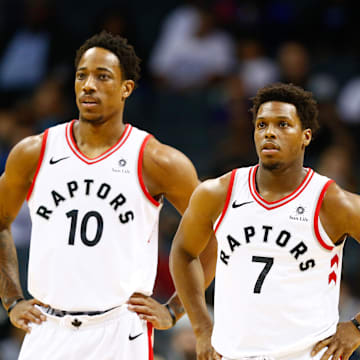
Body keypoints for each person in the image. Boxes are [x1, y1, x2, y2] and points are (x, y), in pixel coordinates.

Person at [0, 31, 216, 359]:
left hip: (119, 330)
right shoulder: (34, 152)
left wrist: (175, 309)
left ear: (126, 88)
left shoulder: (157, 160)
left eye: (102, 77)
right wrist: (12, 299)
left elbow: (213, 231)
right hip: (47, 328)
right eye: (82, 76)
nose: (89, 85)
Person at [170, 83, 360, 360]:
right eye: (262, 125)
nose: (270, 132)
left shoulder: (333, 202)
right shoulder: (218, 192)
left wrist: (356, 327)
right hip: (232, 353)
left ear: (306, 136)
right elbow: (184, 252)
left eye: (283, 124)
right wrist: (201, 326)